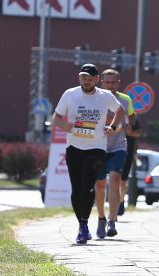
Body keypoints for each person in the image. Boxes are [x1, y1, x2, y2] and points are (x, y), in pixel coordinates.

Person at [52, 64, 125, 244]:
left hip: (96, 148)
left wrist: (113, 127)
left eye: (90, 78)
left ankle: (84, 225)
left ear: (97, 79)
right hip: (74, 148)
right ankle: (82, 225)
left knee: (88, 186)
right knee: (77, 190)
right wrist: (65, 126)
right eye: (83, 77)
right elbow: (56, 118)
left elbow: (120, 111)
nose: (86, 81)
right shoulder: (70, 94)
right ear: (79, 78)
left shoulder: (105, 96)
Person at [92, 69, 138, 239]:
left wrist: (131, 128)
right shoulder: (95, 99)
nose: (110, 85)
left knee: (115, 180)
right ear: (101, 83)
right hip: (98, 146)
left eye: (113, 82)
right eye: (107, 82)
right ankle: (101, 219)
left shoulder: (125, 100)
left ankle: (112, 221)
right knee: (100, 185)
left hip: (118, 146)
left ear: (118, 83)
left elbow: (133, 119)